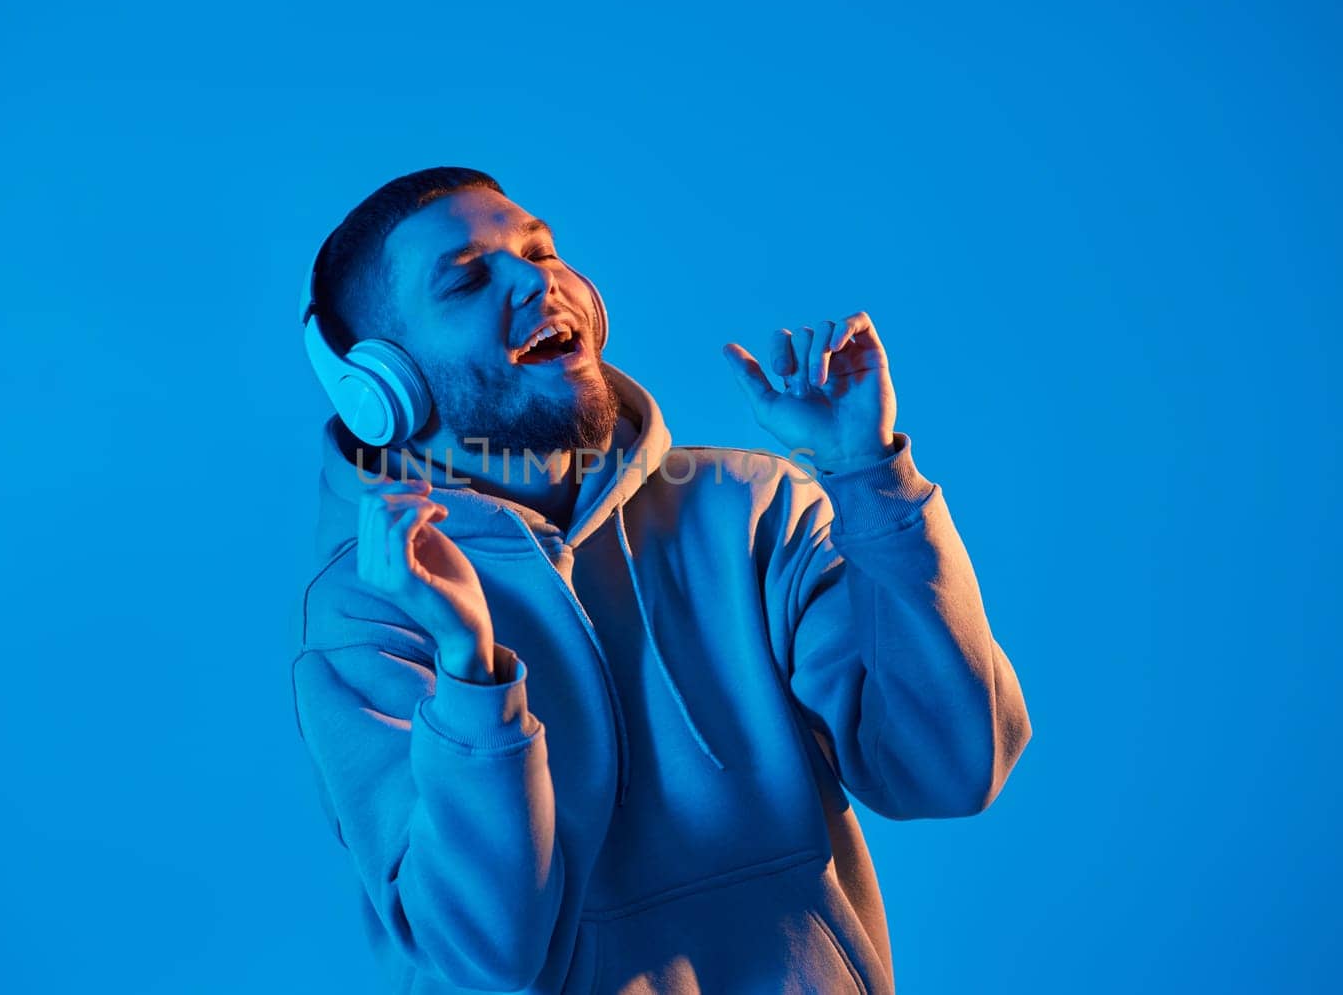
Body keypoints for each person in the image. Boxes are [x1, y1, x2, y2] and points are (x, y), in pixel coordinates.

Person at [290, 165, 1031, 994]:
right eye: (467, 280)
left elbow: (951, 765)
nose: (536, 279)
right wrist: (470, 669)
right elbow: (486, 955)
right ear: (381, 389)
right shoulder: (369, 608)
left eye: (541, 250)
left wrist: (870, 478)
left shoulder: (750, 508)